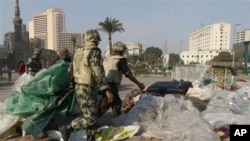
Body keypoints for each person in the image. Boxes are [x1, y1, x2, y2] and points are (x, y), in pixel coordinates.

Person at [59, 29, 114, 141]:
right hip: (87, 88)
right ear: (95, 40)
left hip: (79, 87)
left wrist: (72, 85)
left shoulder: (78, 51)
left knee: (88, 116)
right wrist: (106, 89)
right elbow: (97, 72)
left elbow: (70, 70)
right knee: (91, 119)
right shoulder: (94, 51)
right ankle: (69, 127)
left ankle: (91, 138)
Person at [99, 41, 145, 117]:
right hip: (111, 86)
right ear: (122, 51)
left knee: (117, 104)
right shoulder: (120, 60)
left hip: (104, 84)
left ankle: (117, 121)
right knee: (103, 107)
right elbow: (128, 74)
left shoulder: (106, 59)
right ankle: (89, 122)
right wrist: (139, 84)